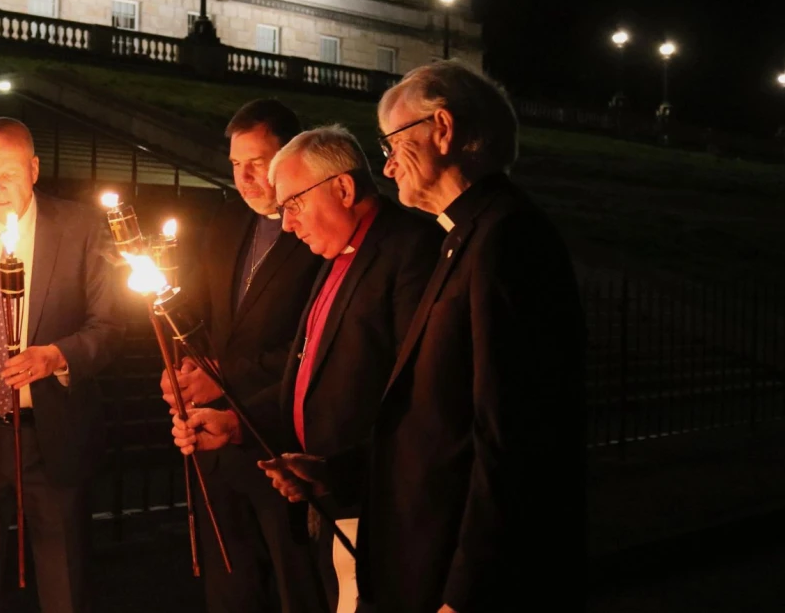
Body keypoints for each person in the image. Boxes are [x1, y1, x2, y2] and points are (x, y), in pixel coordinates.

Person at [262, 61, 587, 612]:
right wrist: (338, 473)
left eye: (392, 143)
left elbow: (510, 435)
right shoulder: (463, 237)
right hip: (419, 552)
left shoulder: (505, 239)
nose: (386, 168)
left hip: (456, 575)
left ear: (442, 128)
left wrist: (466, 591)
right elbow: (434, 417)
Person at [175, 125, 440, 613]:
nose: (289, 224)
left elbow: (417, 397)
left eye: (293, 204)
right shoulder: (336, 253)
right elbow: (308, 375)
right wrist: (236, 423)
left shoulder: (407, 249)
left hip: (378, 506)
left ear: (343, 187)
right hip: (328, 495)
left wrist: (339, 471)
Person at [0, 117, 124, 613]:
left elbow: (110, 327)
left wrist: (56, 356)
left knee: (64, 588)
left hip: (50, 434)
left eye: (7, 172)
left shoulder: (79, 228)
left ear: (34, 169)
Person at [160, 99, 328, 613]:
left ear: (291, 156)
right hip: (218, 452)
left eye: (257, 162)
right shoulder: (228, 222)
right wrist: (181, 371)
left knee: (299, 590)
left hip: (282, 445)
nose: (245, 176)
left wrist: (223, 378)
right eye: (236, 164)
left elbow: (313, 346)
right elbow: (205, 318)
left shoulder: (318, 233)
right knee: (231, 592)